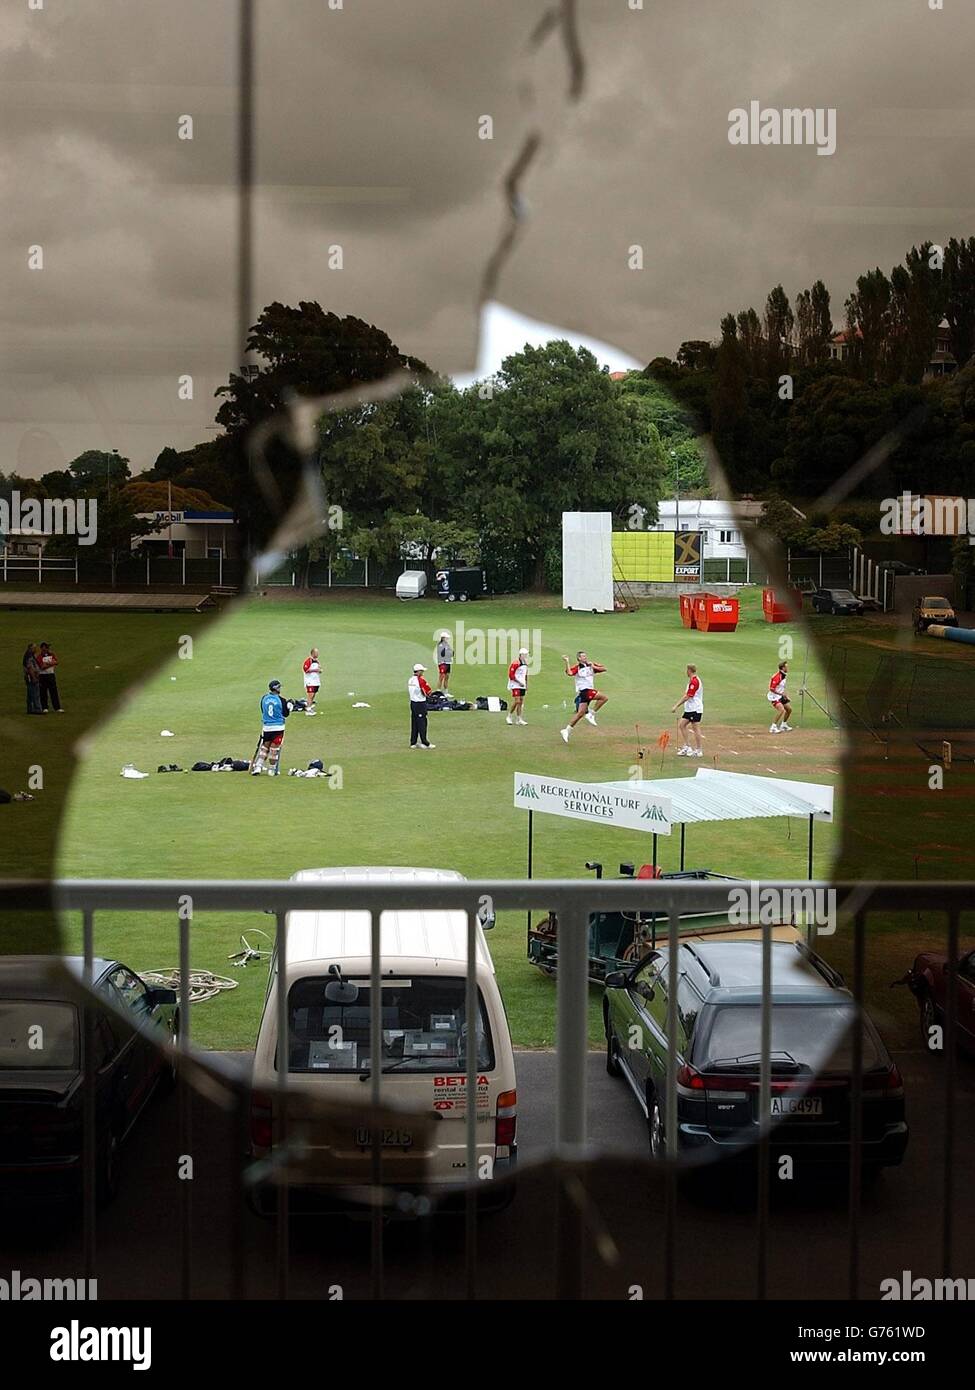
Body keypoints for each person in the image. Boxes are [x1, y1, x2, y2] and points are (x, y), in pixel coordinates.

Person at [560, 651, 608, 743]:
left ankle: (566, 730)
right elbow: (569, 673)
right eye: (583, 656)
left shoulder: (591, 666)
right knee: (604, 698)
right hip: (584, 691)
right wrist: (567, 661)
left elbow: (604, 669)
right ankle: (591, 714)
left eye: (585, 656)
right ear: (579, 659)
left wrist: (594, 666)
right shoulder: (577, 668)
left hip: (587, 691)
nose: (585, 657)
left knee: (580, 714)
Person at [251, 679, 292, 776]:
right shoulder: (282, 700)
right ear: (277, 689)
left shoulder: (264, 698)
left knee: (265, 748)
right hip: (278, 727)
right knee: (274, 750)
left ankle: (258, 767)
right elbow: (286, 714)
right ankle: (272, 770)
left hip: (267, 727)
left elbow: (263, 711)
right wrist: (289, 706)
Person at [672, 664, 704, 756]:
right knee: (682, 725)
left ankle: (699, 750)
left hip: (695, 709)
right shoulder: (692, 681)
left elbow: (688, 696)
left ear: (689, 670)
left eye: (687, 670)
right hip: (690, 709)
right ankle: (687, 746)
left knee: (695, 728)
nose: (686, 672)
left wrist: (676, 706)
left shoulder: (694, 682)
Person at [408, 663, 435, 749]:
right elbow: (428, 692)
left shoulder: (410, 680)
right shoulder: (421, 681)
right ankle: (425, 742)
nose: (423, 672)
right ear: (418, 671)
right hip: (420, 703)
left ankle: (413, 742)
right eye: (422, 671)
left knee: (414, 722)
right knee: (422, 723)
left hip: (413, 703)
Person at [506, 647, 530, 725]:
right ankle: (509, 716)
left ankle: (519, 719)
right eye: (525, 655)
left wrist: (526, 684)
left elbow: (525, 675)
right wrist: (519, 682)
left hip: (522, 685)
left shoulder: (525, 664)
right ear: (521, 655)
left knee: (521, 702)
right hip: (515, 684)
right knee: (517, 701)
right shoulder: (515, 663)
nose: (526, 656)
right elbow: (511, 675)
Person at [37, 642, 63, 713]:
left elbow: (56, 662)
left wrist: (48, 664)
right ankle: (44, 707)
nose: (48, 649)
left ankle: (57, 707)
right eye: (46, 647)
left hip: (51, 674)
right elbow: (42, 667)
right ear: (42, 648)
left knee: (54, 691)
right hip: (43, 675)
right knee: (43, 692)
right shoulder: (39, 656)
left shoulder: (51, 654)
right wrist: (51, 663)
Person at [768, 660, 792, 733]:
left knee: (789, 709)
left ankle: (783, 725)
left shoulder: (783, 675)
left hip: (780, 695)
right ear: (782, 668)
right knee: (781, 710)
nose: (788, 668)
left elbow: (782, 687)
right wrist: (781, 694)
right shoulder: (777, 677)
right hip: (774, 697)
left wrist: (785, 695)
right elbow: (771, 689)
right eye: (786, 667)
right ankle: (773, 727)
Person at [22, 644, 42, 715]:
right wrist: (34, 677)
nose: (36, 649)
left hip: (29, 677)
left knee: (30, 694)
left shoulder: (27, 655)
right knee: (35, 693)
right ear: (30, 648)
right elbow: (30, 668)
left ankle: (30, 709)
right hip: (31, 677)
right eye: (34, 648)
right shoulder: (29, 656)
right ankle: (37, 709)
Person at [302, 647, 321, 715]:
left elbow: (318, 669)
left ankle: (309, 707)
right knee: (310, 695)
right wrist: (315, 670)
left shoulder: (317, 661)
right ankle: (308, 710)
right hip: (310, 681)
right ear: (313, 653)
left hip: (316, 681)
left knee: (313, 694)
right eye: (316, 652)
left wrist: (319, 670)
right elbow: (305, 670)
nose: (318, 653)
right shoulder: (308, 661)